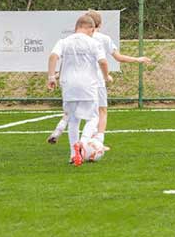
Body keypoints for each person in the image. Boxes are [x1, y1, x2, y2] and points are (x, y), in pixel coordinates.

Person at [48, 10, 152, 145]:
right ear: (99, 24)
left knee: (72, 113)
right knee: (100, 112)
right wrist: (137, 59)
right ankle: (96, 141)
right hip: (96, 81)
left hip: (74, 82)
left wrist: (55, 75)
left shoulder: (72, 39)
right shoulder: (103, 39)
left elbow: (64, 61)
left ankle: (60, 130)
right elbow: (117, 58)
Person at [46, 14, 109, 166]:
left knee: (73, 120)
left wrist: (51, 77)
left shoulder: (64, 41)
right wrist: (106, 76)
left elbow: (53, 56)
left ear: (76, 27)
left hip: (68, 85)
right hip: (88, 85)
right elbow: (103, 61)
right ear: (90, 29)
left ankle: (74, 155)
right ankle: (83, 142)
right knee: (93, 118)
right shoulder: (93, 43)